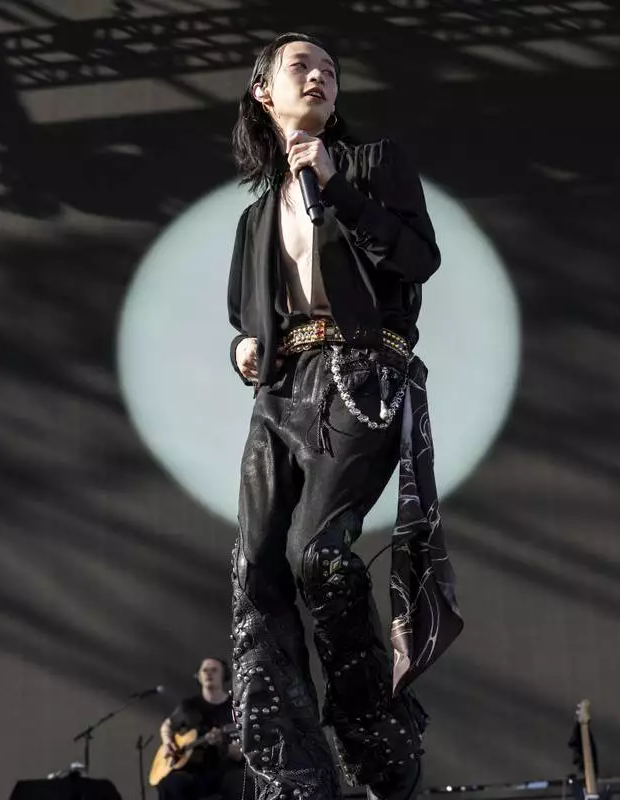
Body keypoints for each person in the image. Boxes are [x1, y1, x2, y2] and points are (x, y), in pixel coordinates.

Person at [224, 31, 463, 800]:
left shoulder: (373, 164)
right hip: (280, 394)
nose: (320, 77)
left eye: (330, 70)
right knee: (256, 570)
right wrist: (243, 350)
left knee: (317, 554)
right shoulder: (255, 218)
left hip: (361, 374)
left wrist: (340, 186)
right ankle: (292, 776)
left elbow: (418, 259)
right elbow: (245, 318)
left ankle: (376, 739)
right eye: (302, 66)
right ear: (264, 90)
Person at [156, 658, 244, 800]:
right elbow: (167, 726)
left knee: (239, 784)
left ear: (224, 675)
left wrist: (222, 746)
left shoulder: (235, 708)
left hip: (223, 770)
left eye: (214, 670)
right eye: (205, 670)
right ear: (199, 676)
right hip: (192, 770)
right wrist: (167, 743)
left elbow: (240, 754)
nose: (209, 673)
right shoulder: (188, 706)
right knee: (169, 783)